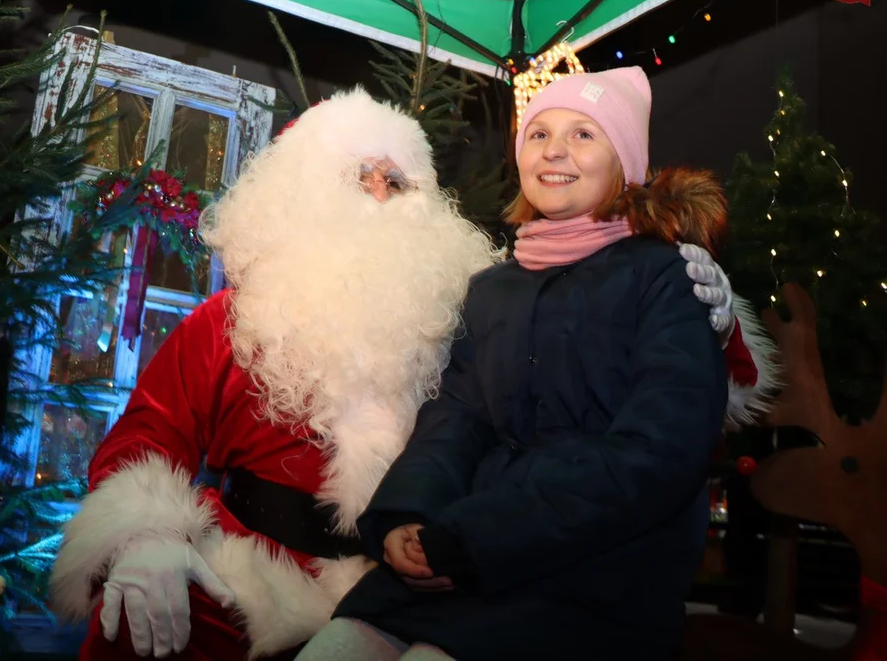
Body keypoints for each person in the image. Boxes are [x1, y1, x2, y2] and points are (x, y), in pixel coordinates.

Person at [49, 86, 773, 660]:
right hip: (243, 579)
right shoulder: (229, 320)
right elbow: (152, 430)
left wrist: (723, 316)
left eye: (396, 178)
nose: (377, 190)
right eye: (354, 174)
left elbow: (612, 366)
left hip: (450, 571)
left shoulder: (460, 301)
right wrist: (142, 536)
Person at [300, 68, 746, 661]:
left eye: (584, 134)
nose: (555, 150)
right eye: (539, 134)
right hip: (468, 549)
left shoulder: (666, 278)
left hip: (596, 572)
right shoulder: (493, 288)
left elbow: (657, 455)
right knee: (337, 646)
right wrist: (408, 516)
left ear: (626, 165)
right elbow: (456, 417)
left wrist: (478, 538)